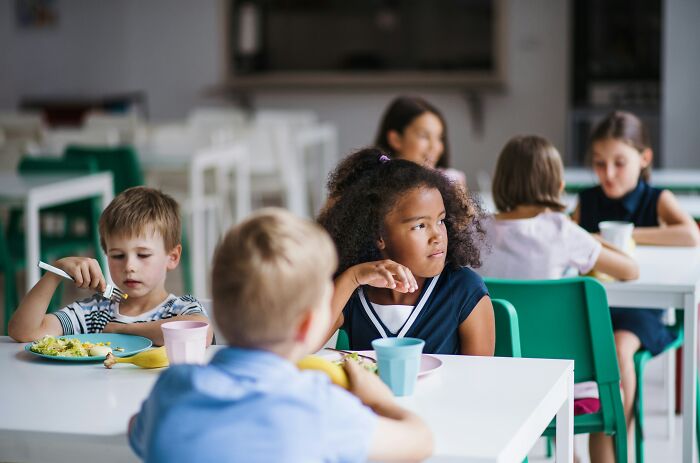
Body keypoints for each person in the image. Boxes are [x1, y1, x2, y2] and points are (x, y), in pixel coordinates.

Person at [128, 208, 433, 462]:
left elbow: (136, 429)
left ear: (217, 313)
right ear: (308, 325)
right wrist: (380, 401)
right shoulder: (319, 406)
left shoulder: (172, 389)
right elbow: (420, 441)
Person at [573, 111, 700, 462]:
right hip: (595, 308)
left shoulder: (656, 198)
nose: (608, 173)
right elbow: (566, 239)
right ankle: (575, 447)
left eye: (619, 162)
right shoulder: (588, 200)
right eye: (599, 164)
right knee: (582, 346)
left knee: (615, 349)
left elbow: (690, 233)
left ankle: (609, 439)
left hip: (641, 312)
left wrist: (626, 234)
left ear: (644, 159)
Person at [318, 148, 494, 356]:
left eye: (440, 221)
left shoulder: (464, 289)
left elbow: (479, 378)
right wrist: (352, 277)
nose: (437, 236)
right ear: (378, 236)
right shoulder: (355, 292)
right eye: (420, 226)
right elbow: (306, 343)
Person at [8, 186, 212, 346]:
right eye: (118, 256)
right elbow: (24, 332)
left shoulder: (181, 309)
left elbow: (199, 332)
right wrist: (55, 274)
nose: (129, 266)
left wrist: (122, 330)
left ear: (172, 257)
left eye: (143, 254)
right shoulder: (95, 312)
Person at [477, 134, 639, 282]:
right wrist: (591, 237)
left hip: (491, 315)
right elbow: (631, 270)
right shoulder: (561, 230)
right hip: (543, 315)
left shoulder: (474, 229)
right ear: (559, 187)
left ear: (499, 183)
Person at [375, 95, 467, 186]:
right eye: (424, 136)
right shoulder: (376, 185)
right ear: (396, 139)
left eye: (439, 138)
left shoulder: (451, 181)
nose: (435, 147)